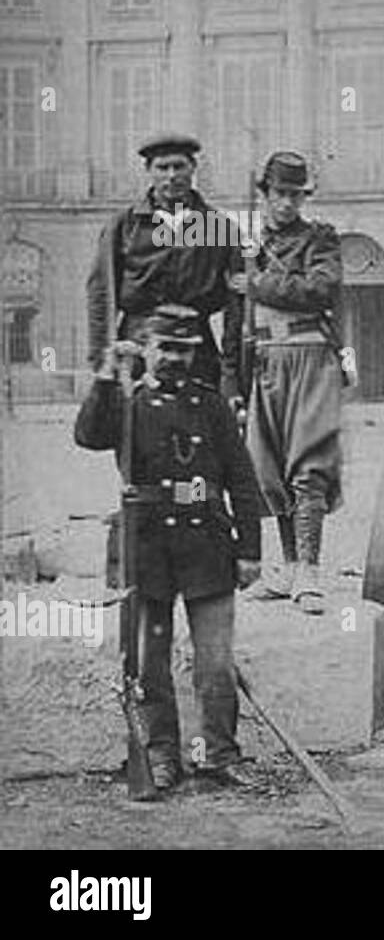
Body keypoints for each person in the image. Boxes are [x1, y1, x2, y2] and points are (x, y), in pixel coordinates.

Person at [74, 305, 263, 791]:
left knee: (215, 663)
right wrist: (106, 375)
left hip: (207, 548)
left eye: (185, 350)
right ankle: (160, 756)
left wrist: (250, 551)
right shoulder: (127, 405)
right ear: (146, 349)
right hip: (148, 549)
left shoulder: (212, 405)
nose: (175, 359)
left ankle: (219, 754)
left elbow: (241, 479)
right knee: (148, 662)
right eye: (166, 349)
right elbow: (88, 436)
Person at [222, 152, 343, 617]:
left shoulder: (321, 240)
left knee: (307, 464)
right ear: (265, 195)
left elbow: (320, 290)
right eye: (279, 194)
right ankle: (290, 568)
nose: (287, 203)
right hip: (265, 361)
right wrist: (233, 380)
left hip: (310, 357)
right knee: (269, 470)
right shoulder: (248, 248)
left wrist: (256, 285)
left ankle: (310, 571)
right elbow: (235, 324)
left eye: (295, 195)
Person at [86, 133, 240, 388]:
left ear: (193, 168)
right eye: (162, 167)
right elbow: (101, 294)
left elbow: (236, 300)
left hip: (195, 346)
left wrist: (231, 370)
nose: (171, 176)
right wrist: (103, 358)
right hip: (136, 343)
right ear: (148, 171)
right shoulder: (124, 225)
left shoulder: (218, 226)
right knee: (135, 422)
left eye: (179, 166)